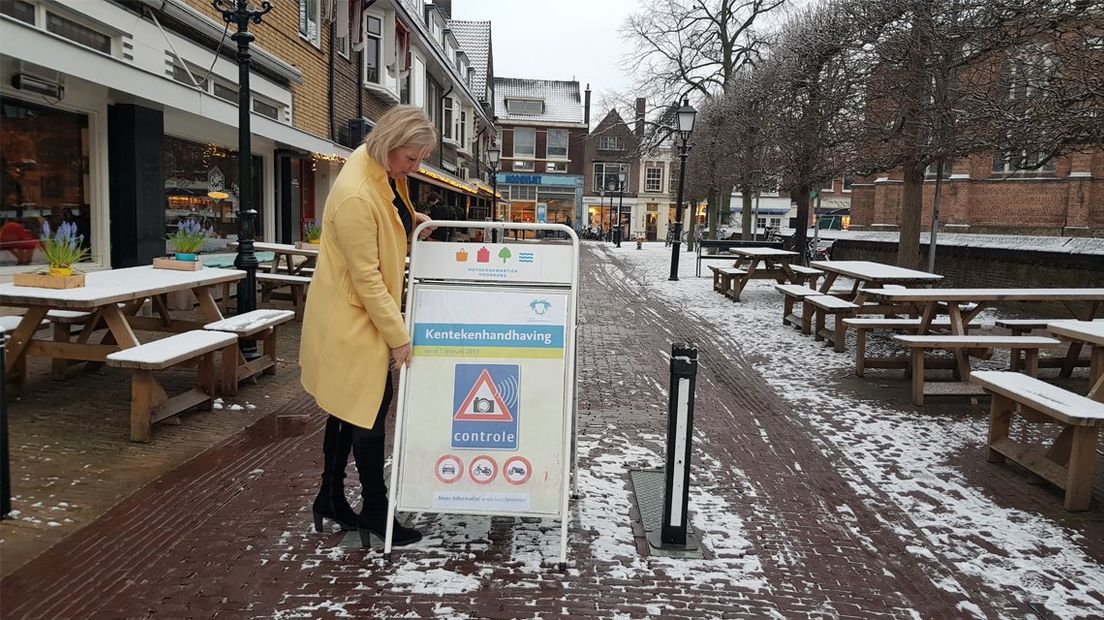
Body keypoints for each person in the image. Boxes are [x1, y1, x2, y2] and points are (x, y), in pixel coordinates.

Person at [299, 105, 436, 548]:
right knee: (371, 410)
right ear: (390, 145)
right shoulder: (359, 192)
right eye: (412, 159)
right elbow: (368, 276)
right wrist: (399, 338)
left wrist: (411, 221)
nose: (415, 168)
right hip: (353, 318)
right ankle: (376, 512)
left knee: (347, 407)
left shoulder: (377, 168)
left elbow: (388, 211)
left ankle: (330, 496)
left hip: (355, 314)